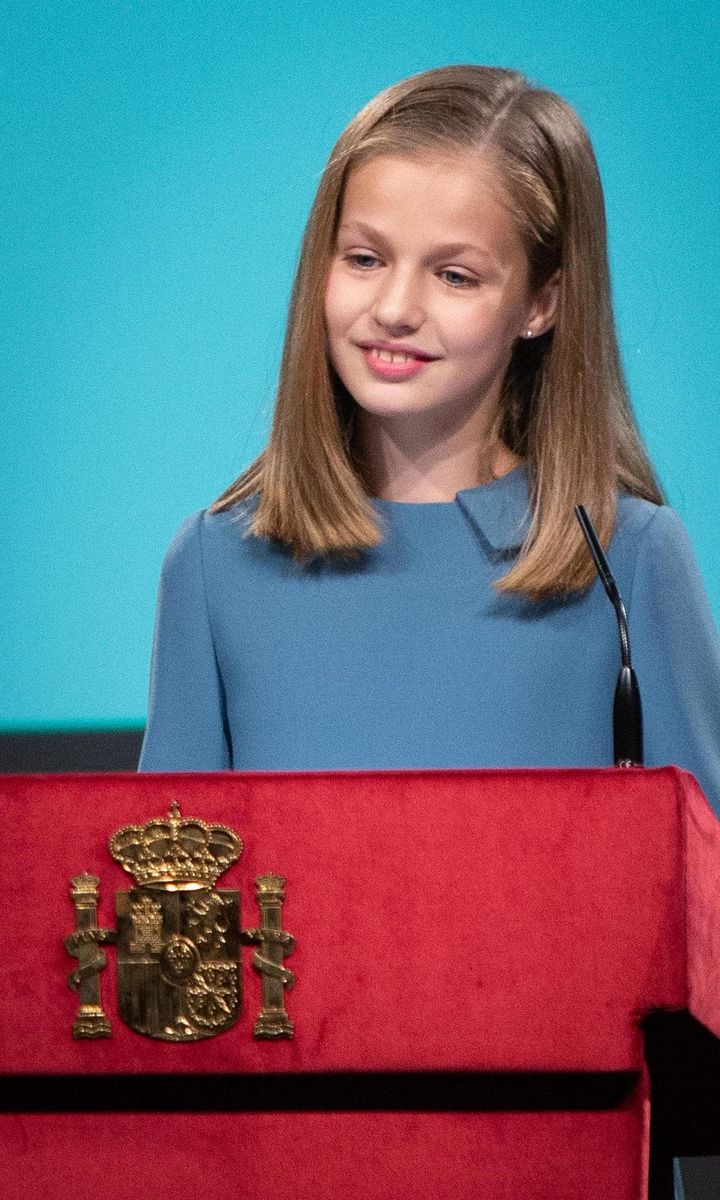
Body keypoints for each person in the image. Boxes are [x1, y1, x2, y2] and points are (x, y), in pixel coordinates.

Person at [138, 65, 720, 824]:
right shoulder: (217, 566)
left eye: (453, 275)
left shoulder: (627, 560)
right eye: (365, 259)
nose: (395, 309)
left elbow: (696, 903)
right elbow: (163, 896)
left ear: (540, 304)